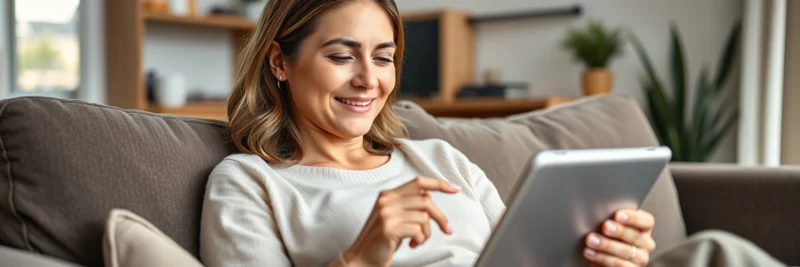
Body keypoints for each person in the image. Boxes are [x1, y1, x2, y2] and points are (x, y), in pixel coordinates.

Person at [198, 1, 785, 267]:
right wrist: (360, 258)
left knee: (716, 252)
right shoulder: (249, 182)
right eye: (341, 55)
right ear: (280, 61)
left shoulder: (437, 158)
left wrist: (603, 257)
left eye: (383, 57)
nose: (368, 80)